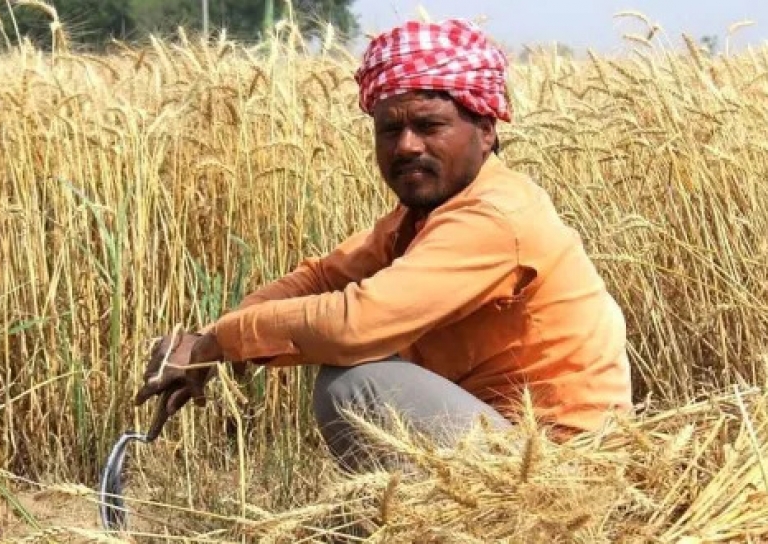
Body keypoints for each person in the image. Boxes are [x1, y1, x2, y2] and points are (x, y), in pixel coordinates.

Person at [134, 19, 633, 471]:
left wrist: (218, 342)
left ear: (485, 130)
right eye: (389, 129)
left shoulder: (495, 217)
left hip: (560, 467)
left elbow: (355, 325)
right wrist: (210, 338)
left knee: (355, 385)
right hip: (511, 446)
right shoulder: (420, 219)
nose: (407, 145)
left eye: (429, 125)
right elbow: (320, 278)